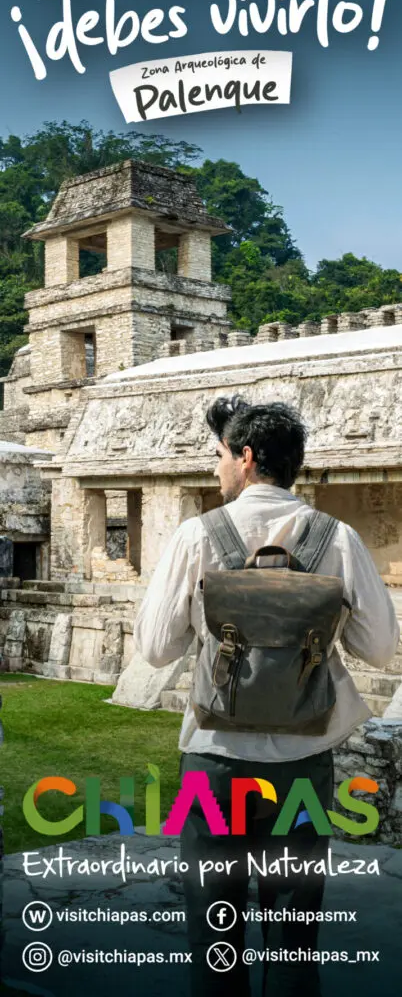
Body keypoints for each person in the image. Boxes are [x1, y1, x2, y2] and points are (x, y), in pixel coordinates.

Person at [134, 396, 399, 997]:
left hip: (216, 758)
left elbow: (155, 648)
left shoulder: (196, 535)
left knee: (216, 941)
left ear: (247, 458)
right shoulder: (338, 538)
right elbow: (380, 649)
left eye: (220, 455)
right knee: (293, 942)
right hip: (303, 762)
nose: (216, 468)